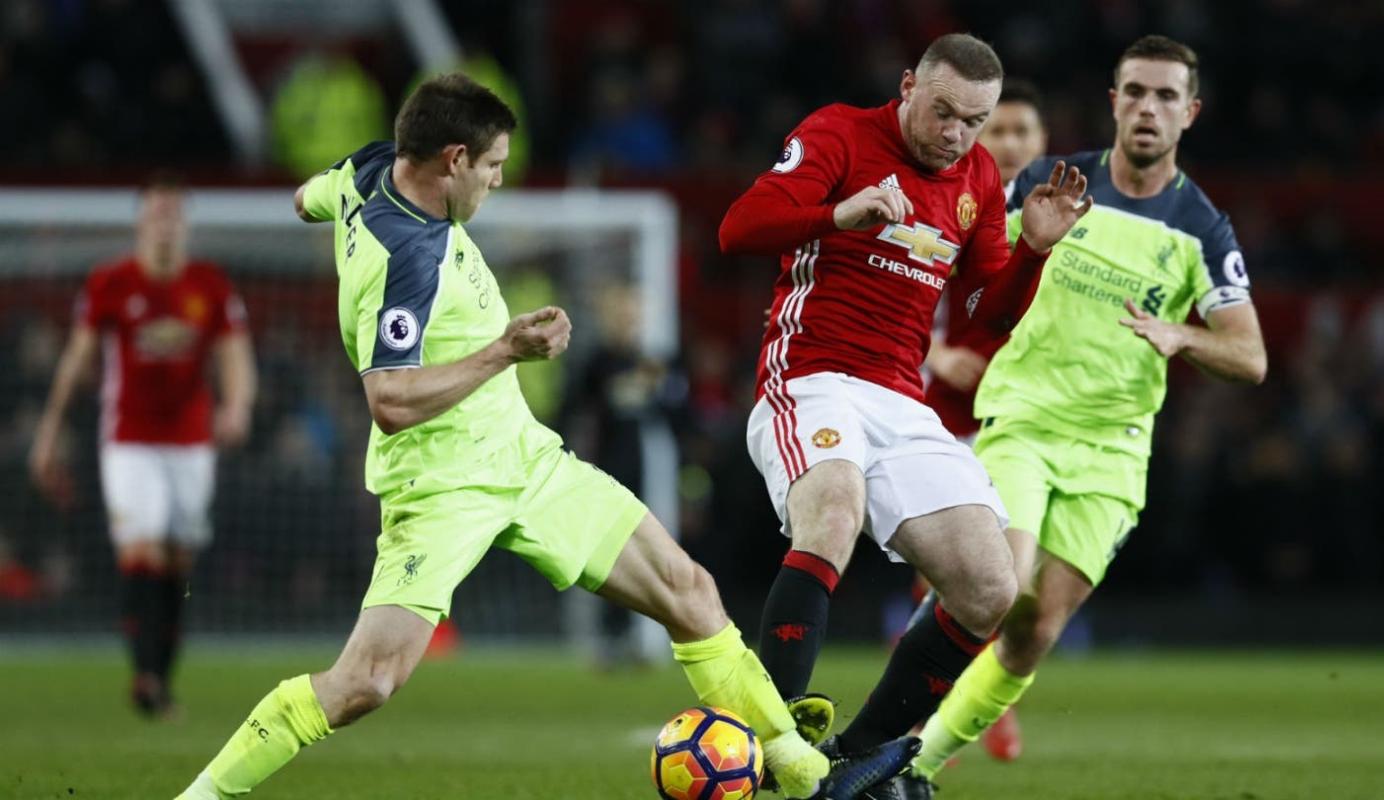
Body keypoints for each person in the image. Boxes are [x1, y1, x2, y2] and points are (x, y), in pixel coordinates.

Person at [172, 74, 916, 800]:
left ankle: (807, 775)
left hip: (525, 461)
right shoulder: (407, 259)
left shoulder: (368, 170)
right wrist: (505, 350)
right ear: (453, 159)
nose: (498, 181)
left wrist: (333, 213)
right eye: (492, 165)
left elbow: (308, 197)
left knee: (688, 590)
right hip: (442, 486)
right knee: (365, 682)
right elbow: (390, 401)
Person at [901, 35, 1268, 796]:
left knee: (1034, 630)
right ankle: (892, 743)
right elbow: (954, 254)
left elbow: (1251, 356)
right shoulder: (1052, 183)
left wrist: (1184, 336)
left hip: (1114, 451)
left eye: (1166, 96)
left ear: (1190, 112)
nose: (1148, 108)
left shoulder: (1201, 229)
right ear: (1114, 101)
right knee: (998, 585)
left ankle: (916, 768)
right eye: (1135, 91)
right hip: (1024, 421)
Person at [718, 31, 1091, 764]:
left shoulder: (977, 176)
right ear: (908, 86)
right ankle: (772, 748)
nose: (956, 135)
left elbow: (986, 313)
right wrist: (838, 214)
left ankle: (859, 759)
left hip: (900, 398)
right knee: (833, 511)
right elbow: (738, 230)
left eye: (974, 121)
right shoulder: (839, 133)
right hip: (812, 376)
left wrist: (1033, 252)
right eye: (942, 112)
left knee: (991, 585)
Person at [29, 176, 256, 717]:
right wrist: (49, 431)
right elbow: (77, 359)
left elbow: (235, 356)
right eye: (156, 213)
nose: (164, 223)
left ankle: (161, 679)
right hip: (129, 440)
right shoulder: (111, 282)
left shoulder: (209, 285)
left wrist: (238, 406)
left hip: (191, 442)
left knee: (177, 560)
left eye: (173, 213)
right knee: (142, 548)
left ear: (185, 224)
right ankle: (144, 677)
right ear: (140, 221)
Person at [917, 78, 1049, 762]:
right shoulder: (954, 204)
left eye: (1022, 131)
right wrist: (938, 355)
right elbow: (902, 293)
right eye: (998, 130)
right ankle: (942, 697)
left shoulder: (1061, 221)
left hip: (1023, 418)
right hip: (942, 413)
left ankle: (978, 692)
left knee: (1006, 574)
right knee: (952, 567)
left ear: (1043, 141)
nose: (1010, 142)